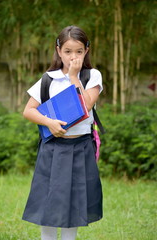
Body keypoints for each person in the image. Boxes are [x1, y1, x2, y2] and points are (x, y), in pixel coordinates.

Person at [22, 25, 103, 240]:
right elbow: (28, 111)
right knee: (48, 204)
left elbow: (85, 106)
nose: (73, 57)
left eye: (78, 51)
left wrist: (74, 77)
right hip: (53, 149)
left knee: (75, 205)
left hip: (81, 148)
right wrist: (49, 122)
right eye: (67, 51)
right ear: (58, 51)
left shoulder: (91, 76)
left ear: (87, 50)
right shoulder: (48, 79)